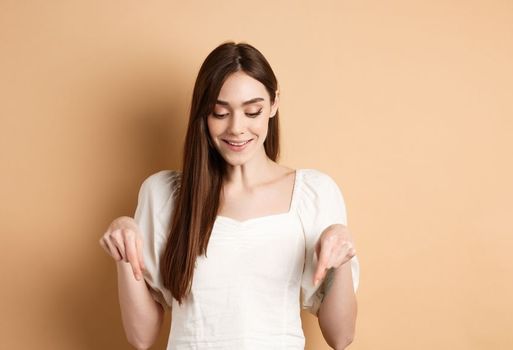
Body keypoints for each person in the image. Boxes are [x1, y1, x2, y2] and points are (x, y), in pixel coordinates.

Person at [100, 42, 360, 350]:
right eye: (220, 113)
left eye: (253, 111)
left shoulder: (315, 194)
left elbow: (341, 337)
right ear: (203, 114)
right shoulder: (165, 195)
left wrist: (342, 254)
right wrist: (124, 249)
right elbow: (141, 338)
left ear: (274, 104)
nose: (237, 128)